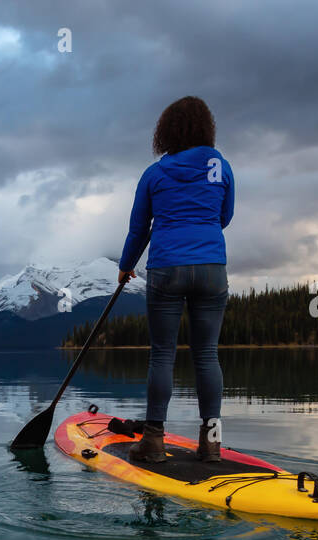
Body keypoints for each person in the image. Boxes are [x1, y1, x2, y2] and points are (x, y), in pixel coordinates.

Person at [110, 96, 234, 463]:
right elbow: (223, 217)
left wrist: (126, 264)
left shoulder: (155, 174)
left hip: (166, 267)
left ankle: (153, 441)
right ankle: (211, 444)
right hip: (212, 266)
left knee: (162, 355)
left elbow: (138, 229)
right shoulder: (221, 167)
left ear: (165, 132)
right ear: (206, 128)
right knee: (207, 355)